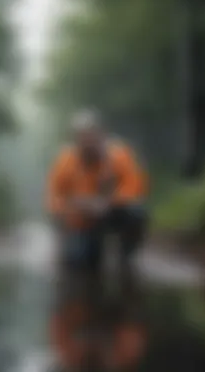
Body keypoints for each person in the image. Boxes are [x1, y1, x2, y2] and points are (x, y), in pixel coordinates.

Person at [47, 109, 148, 301]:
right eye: (83, 137)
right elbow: (53, 197)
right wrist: (75, 206)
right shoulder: (65, 161)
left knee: (136, 211)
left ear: (101, 134)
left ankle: (127, 257)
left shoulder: (118, 155)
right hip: (81, 220)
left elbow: (135, 187)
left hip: (111, 213)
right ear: (75, 139)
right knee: (79, 265)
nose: (88, 142)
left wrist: (107, 203)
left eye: (92, 135)